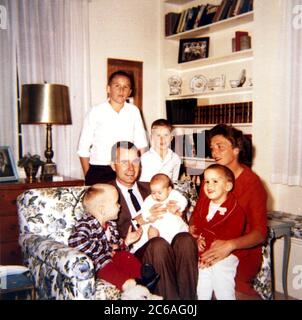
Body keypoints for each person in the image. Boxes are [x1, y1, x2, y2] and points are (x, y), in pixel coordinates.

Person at [109, 141, 198, 300]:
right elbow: (106, 236)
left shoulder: (153, 187)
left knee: (185, 239)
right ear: (112, 165)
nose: (131, 167)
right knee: (158, 244)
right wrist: (139, 221)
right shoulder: (106, 193)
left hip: (168, 239)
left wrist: (178, 212)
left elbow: (179, 215)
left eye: (135, 161)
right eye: (124, 162)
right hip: (136, 253)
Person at [191, 124, 267, 297]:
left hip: (241, 251)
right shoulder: (211, 179)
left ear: (236, 150)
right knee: (193, 282)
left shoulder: (252, 183)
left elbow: (260, 233)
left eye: (220, 147)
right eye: (212, 148)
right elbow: (196, 217)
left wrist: (229, 245)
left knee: (226, 290)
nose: (214, 152)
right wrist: (195, 236)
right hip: (209, 246)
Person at [68, 184, 157, 292]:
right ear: (102, 210)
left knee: (125, 256)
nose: (120, 206)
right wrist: (107, 247)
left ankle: (142, 277)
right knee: (107, 268)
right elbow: (76, 242)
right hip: (97, 264)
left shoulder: (111, 225)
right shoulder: (87, 223)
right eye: (116, 203)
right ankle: (129, 285)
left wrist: (126, 242)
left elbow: (116, 249)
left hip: (112, 260)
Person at [77, 70, 148, 185]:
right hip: (100, 170)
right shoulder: (96, 111)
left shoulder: (134, 111)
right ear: (108, 89)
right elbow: (83, 149)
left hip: (125, 169)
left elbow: (141, 145)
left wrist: (139, 173)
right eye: (117, 86)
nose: (121, 90)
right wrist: (89, 176)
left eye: (126, 87)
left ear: (130, 91)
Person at [190, 164, 245, 300]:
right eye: (207, 181)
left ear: (228, 186)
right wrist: (196, 237)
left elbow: (230, 235)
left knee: (223, 285)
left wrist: (209, 248)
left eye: (215, 181)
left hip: (224, 255)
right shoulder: (203, 204)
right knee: (202, 285)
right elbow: (195, 222)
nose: (209, 185)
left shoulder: (235, 210)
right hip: (204, 254)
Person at [132, 173, 189, 252]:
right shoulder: (150, 199)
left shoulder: (174, 194)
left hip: (173, 222)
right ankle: (152, 247)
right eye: (153, 193)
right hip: (157, 223)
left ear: (169, 189)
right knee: (151, 231)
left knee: (180, 235)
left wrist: (177, 207)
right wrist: (148, 216)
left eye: (159, 193)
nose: (156, 196)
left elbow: (184, 201)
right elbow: (144, 209)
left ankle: (174, 250)